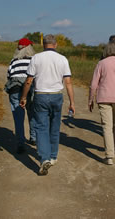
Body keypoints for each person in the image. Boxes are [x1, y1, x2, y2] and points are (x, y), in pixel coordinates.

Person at [20, 34, 75, 176]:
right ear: (55, 45)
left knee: (41, 127)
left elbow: (28, 81)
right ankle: (53, 156)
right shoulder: (63, 59)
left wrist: (24, 97)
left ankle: (44, 158)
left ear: (43, 45)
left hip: (41, 96)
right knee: (54, 127)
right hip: (57, 96)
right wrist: (72, 102)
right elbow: (68, 82)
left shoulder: (36, 58)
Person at [4, 38, 37, 154]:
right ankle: (33, 138)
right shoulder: (34, 60)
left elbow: (9, 76)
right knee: (32, 114)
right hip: (30, 90)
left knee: (18, 118)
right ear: (30, 48)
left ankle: (20, 143)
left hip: (15, 90)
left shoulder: (13, 61)